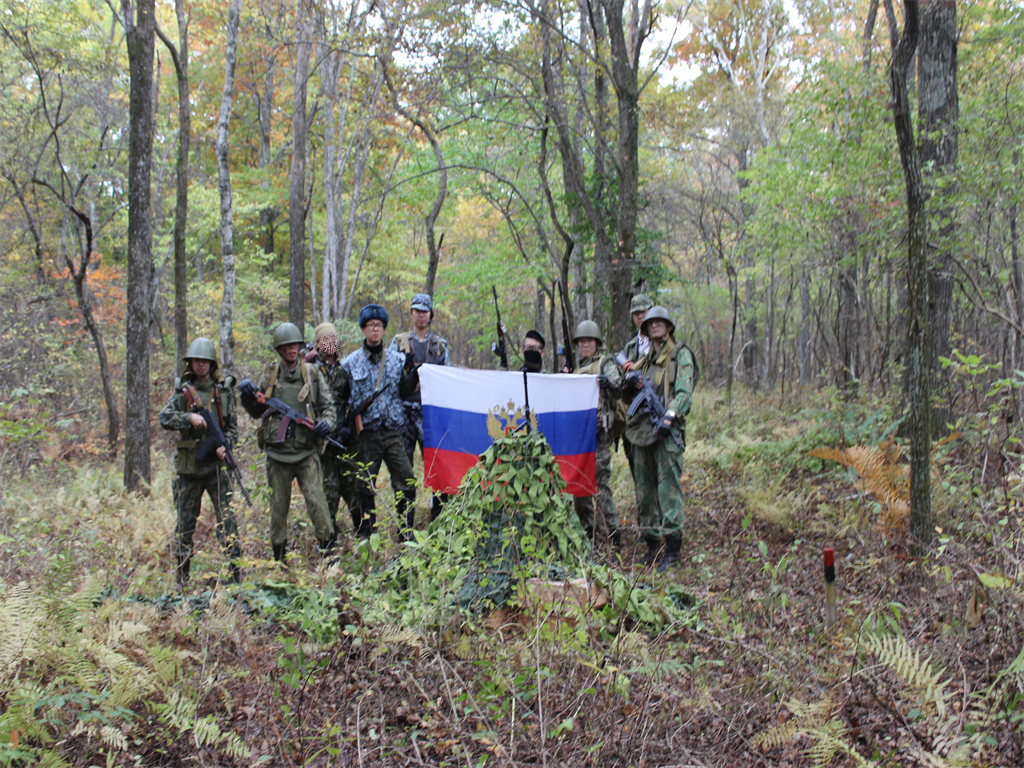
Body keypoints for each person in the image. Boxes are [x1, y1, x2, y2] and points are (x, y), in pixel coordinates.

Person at [238, 322, 337, 565]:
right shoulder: (270, 376)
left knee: (317, 504)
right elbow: (255, 410)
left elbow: (328, 407)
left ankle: (329, 557)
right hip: (278, 455)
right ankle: (279, 560)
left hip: (305, 453)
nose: (292, 350)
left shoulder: (312, 374)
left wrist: (326, 423)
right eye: (287, 346)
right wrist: (246, 395)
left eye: (296, 345)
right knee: (278, 509)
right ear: (279, 349)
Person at [158, 337, 241, 587]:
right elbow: (164, 417)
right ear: (190, 363)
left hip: (216, 470)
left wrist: (225, 446)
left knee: (228, 523)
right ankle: (182, 579)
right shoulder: (182, 391)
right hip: (189, 470)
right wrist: (188, 417)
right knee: (184, 526)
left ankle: (235, 577)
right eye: (196, 361)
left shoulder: (223, 392)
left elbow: (234, 429)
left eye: (205, 361)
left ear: (212, 364)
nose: (201, 366)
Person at [621, 306, 698, 572]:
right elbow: (628, 396)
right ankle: (653, 548)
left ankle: (673, 552)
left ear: (668, 326)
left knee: (668, 490)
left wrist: (670, 415)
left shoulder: (679, 354)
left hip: (667, 432)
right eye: (650, 323)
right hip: (642, 433)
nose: (654, 326)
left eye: (659, 322)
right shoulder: (643, 360)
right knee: (645, 491)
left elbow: (684, 390)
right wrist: (629, 384)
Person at [335, 304, 420, 540]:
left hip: (394, 431)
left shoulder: (396, 359)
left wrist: (413, 375)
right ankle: (367, 532)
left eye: (379, 326)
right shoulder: (350, 363)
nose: (375, 329)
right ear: (363, 329)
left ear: (384, 330)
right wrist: (342, 425)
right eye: (371, 325)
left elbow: (403, 391)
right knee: (363, 486)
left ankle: (406, 531)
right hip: (366, 435)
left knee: (406, 480)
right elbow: (338, 397)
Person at [388, 293, 452, 521]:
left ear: (430, 315)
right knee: (403, 469)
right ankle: (405, 522)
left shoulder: (440, 346)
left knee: (438, 466)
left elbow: (448, 379)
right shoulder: (398, 343)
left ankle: (439, 519)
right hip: (403, 412)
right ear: (411, 314)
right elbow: (388, 378)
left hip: (430, 414)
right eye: (417, 311)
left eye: (425, 311)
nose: (421, 315)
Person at [569, 320, 623, 546]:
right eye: (581, 341)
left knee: (600, 485)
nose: (584, 345)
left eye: (588, 341)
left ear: (597, 342)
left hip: (599, 434)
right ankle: (588, 532)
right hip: (579, 436)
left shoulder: (605, 363)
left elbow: (619, 385)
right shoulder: (577, 368)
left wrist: (607, 383)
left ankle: (611, 534)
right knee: (580, 486)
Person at [305, 322, 359, 536]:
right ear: (317, 343)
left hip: (343, 437)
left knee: (352, 484)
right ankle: (328, 535)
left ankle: (361, 528)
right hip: (322, 438)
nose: (330, 343)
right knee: (329, 488)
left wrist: (347, 425)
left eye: (333, 339)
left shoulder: (345, 370)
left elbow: (351, 401)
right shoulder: (310, 369)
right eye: (325, 339)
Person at [620, 294, 653, 479]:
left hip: (655, 414)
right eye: (636, 314)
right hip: (634, 417)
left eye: (643, 312)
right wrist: (627, 380)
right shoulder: (630, 348)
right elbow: (619, 382)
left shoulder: (661, 343)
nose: (640, 317)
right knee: (638, 472)